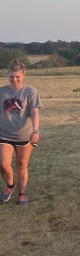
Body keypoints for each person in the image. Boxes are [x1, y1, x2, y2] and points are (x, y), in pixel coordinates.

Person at [0, 60, 41, 205]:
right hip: (4, 134)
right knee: (3, 164)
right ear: (7, 76)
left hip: (24, 135)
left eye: (17, 76)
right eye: (11, 76)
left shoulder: (30, 91)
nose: (14, 79)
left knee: (21, 165)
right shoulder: (2, 91)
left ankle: (22, 194)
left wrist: (35, 130)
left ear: (23, 76)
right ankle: (10, 186)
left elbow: (34, 112)